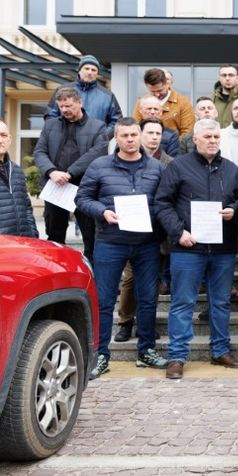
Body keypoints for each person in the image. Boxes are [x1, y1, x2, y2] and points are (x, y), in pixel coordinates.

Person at [154, 119, 238, 380]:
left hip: (223, 248)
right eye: (207, 136)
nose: (213, 141)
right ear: (195, 139)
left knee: (221, 302)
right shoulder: (178, 167)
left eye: (217, 137)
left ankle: (220, 350)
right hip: (187, 247)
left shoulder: (231, 170)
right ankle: (177, 355)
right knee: (183, 302)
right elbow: (162, 203)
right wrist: (178, 232)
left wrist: (235, 211)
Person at [76, 118, 169, 378]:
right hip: (110, 242)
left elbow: (164, 201)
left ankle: (146, 350)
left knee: (148, 299)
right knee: (104, 300)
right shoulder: (99, 166)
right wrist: (102, 211)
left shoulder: (156, 167)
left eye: (133, 135)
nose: (129, 139)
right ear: (116, 138)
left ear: (140, 136)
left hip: (146, 244)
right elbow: (82, 198)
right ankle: (101, 354)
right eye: (124, 135)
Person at [114, 118, 176, 342]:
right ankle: (125, 322)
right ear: (141, 135)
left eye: (158, 133)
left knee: (153, 281)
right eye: (149, 132)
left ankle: (146, 324)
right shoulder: (125, 159)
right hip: (132, 230)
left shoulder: (170, 163)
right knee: (130, 279)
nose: (154, 137)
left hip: (158, 231)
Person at [34, 86, 110, 262]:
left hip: (85, 189)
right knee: (54, 235)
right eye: (61, 106)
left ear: (80, 103)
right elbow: (39, 151)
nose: (65, 110)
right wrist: (52, 172)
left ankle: (91, 273)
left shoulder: (98, 126)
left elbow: (97, 153)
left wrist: (69, 173)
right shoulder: (50, 125)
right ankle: (57, 272)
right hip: (56, 187)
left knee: (90, 235)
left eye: (69, 106)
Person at [46, 54, 122, 127]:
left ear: (97, 74)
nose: (90, 72)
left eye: (93, 70)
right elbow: (51, 116)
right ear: (79, 71)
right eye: (86, 68)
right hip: (66, 139)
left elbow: (117, 121)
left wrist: (102, 137)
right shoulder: (62, 91)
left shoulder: (108, 96)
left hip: (96, 140)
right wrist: (61, 134)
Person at [131, 67, 194, 138]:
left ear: (167, 84)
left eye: (160, 90)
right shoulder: (141, 102)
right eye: (152, 91)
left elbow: (188, 132)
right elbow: (135, 128)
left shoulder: (183, 102)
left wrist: (173, 146)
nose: (157, 95)